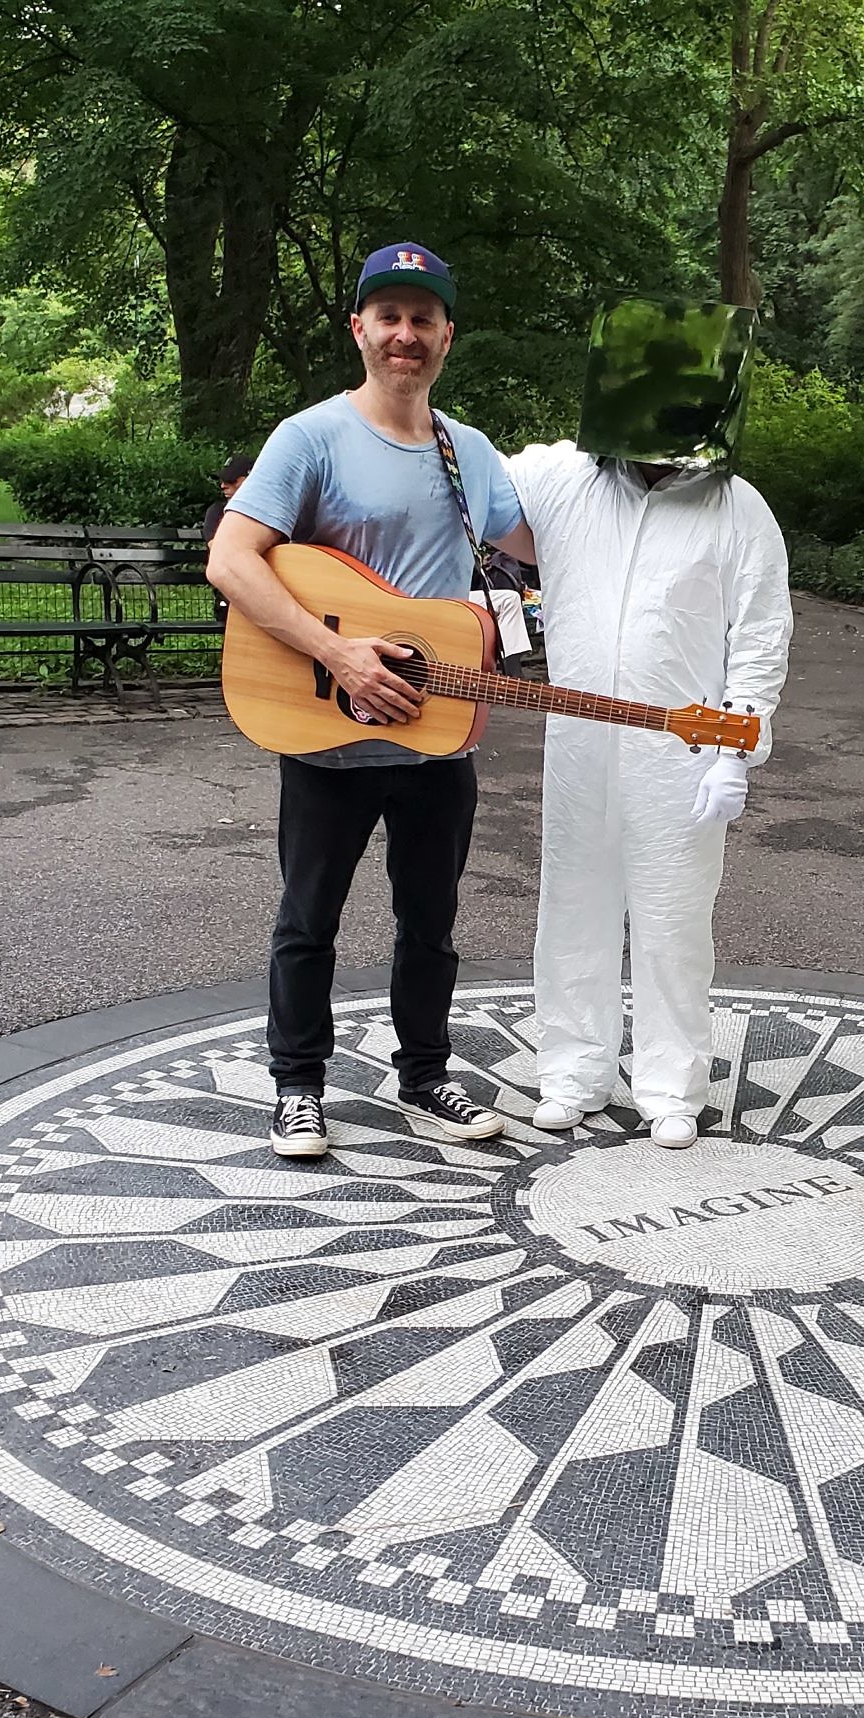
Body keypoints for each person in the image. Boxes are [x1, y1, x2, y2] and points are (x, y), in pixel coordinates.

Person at [207, 242, 537, 1155]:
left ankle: (425, 1078)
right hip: (326, 729)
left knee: (430, 922)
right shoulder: (309, 437)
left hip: (437, 740)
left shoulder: (468, 451)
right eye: (388, 316)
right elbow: (231, 560)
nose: (405, 334)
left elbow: (549, 545)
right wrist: (338, 654)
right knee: (309, 917)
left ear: (446, 336)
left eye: (423, 318)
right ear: (359, 329)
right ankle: (298, 1084)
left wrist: (662, 488)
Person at [509, 298, 791, 1149]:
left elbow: (761, 634)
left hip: (685, 749)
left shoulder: (738, 509)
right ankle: (572, 1070)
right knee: (573, 904)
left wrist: (738, 749)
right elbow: (463, 471)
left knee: (672, 917)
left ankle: (671, 1083)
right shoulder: (563, 481)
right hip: (580, 739)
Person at [202, 454, 254, 542]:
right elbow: (214, 546)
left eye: (231, 480)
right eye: (222, 481)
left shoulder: (268, 511)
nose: (223, 486)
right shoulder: (216, 512)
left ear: (248, 480)